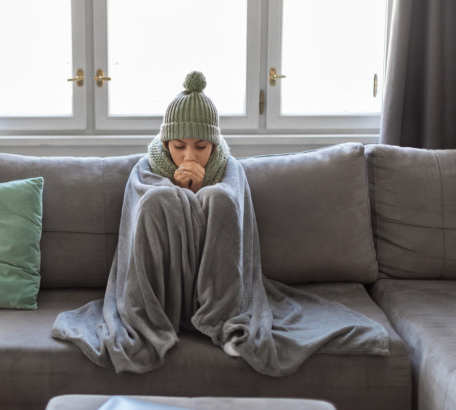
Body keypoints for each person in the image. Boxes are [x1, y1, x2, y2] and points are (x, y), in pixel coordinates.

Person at [51, 71, 389, 376]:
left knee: (219, 198)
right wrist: (180, 190)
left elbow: (232, 215)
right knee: (159, 198)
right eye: (179, 146)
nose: (189, 156)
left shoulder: (230, 169)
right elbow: (141, 217)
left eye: (201, 147)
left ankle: (221, 319)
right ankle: (156, 319)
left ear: (214, 144)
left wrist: (200, 189)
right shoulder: (146, 168)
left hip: (220, 287)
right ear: (166, 143)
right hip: (162, 284)